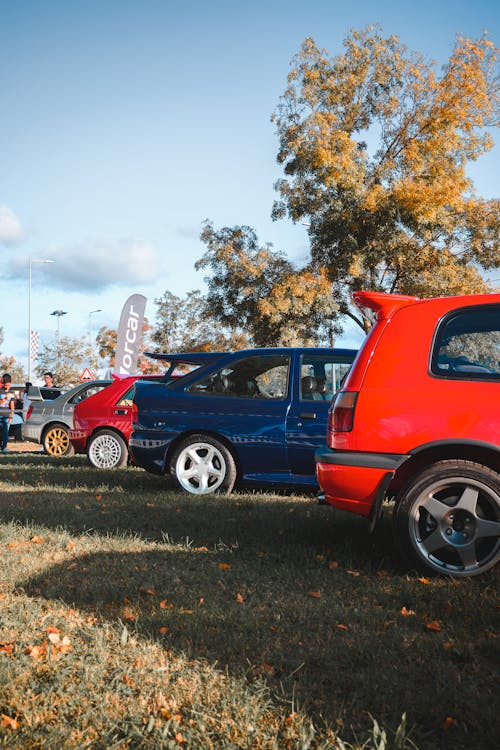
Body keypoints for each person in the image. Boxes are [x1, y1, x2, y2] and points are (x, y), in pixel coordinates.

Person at [0, 373, 15, 453]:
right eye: (6, 385)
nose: (8, 387)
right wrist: (6, 398)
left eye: (9, 385)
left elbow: (12, 405)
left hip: (6, 416)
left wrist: (11, 416)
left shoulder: (11, 392)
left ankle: (4, 447)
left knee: (5, 432)